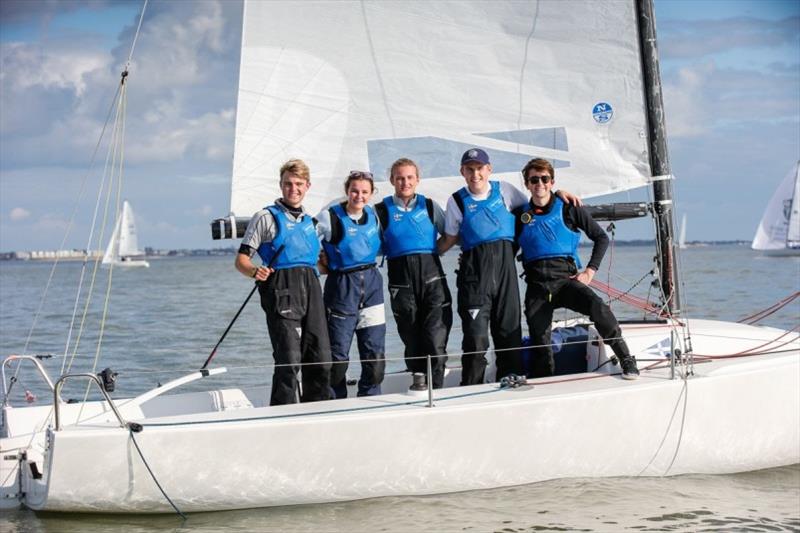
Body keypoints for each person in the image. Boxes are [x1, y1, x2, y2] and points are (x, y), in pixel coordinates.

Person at [514, 158, 640, 379]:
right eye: (534, 180)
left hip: (566, 281)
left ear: (551, 181)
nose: (540, 184)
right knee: (540, 340)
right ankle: (545, 382)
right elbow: (505, 247)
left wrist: (590, 271)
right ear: (527, 184)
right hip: (537, 287)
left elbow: (601, 238)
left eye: (544, 179)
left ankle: (626, 358)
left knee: (598, 307)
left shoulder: (570, 209)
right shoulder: (520, 216)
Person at [235, 159, 332, 405]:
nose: (293, 189)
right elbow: (242, 260)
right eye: (288, 183)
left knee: (321, 358)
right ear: (281, 185)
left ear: (307, 186)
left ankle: (316, 410)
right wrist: (254, 272)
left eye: (298, 184)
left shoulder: (312, 223)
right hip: (281, 291)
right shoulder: (265, 217)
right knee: (289, 358)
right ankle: (282, 412)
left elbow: (320, 264)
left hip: (311, 288)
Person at [374, 158, 452, 388]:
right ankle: (418, 379)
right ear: (392, 180)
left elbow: (450, 234)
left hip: (432, 275)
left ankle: (436, 385)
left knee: (435, 333)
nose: (405, 182)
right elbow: (371, 244)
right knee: (410, 332)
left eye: (409, 177)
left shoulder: (429, 206)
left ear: (417, 180)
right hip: (401, 278)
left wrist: (432, 252)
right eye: (399, 178)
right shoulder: (380, 210)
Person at [317, 171, 386, 398]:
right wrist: (320, 263)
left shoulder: (374, 216)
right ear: (347, 190)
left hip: (372, 286)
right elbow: (305, 243)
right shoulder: (329, 217)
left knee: (375, 356)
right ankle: (335, 403)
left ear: (371, 193)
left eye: (365, 192)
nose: (359, 195)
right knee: (337, 358)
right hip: (341, 288)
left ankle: (370, 398)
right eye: (354, 190)